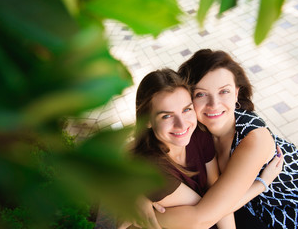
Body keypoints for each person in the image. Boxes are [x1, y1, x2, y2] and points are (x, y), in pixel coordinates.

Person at [153, 49, 298, 229]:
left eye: (223, 91)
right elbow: (145, 145)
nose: (214, 104)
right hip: (243, 203)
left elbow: (205, 216)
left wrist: (149, 217)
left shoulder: (254, 139)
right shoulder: (192, 125)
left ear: (236, 93)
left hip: (285, 209)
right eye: (201, 94)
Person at [120, 68, 283, 229]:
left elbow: (215, 191)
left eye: (186, 109)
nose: (182, 124)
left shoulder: (198, 133)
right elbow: (202, 218)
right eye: (167, 116)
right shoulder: (151, 171)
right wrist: (262, 183)